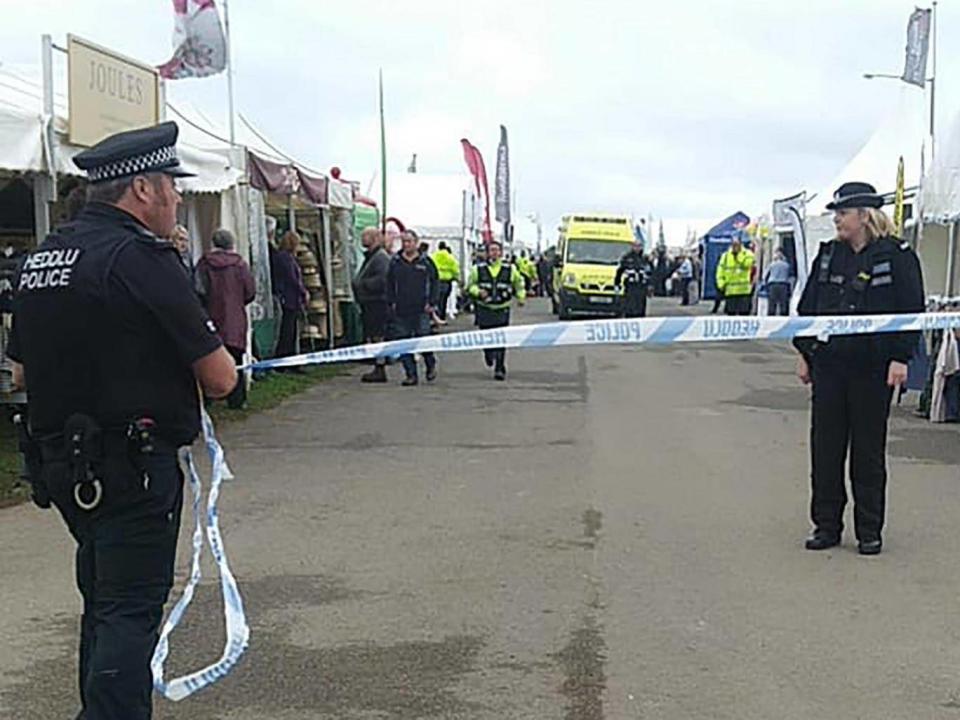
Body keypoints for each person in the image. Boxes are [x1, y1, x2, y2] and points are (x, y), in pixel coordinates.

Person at [6, 121, 237, 720]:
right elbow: (220, 377)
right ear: (141, 189)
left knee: (103, 602)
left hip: (64, 464)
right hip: (133, 467)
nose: (179, 197)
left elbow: (22, 373)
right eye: (171, 186)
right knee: (130, 612)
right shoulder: (141, 258)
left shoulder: (41, 260)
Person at [793, 181, 925, 556]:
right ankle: (826, 526)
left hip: (873, 369)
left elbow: (912, 309)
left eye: (843, 212)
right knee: (825, 449)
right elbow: (808, 309)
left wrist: (901, 357)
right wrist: (804, 351)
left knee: (867, 452)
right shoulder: (829, 255)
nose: (837, 219)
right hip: (830, 366)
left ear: (864, 216)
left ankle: (869, 530)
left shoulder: (898, 255)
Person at [196, 228, 256, 408]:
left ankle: (209, 398)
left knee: (209, 357)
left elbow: (199, 289)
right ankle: (237, 400)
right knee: (236, 359)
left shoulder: (204, 264)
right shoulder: (240, 265)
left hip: (211, 317)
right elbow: (250, 292)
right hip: (235, 319)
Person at [467, 240, 526, 380]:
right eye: (491, 250)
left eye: (496, 250)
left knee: (501, 340)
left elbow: (519, 283)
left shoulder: (510, 269)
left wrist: (521, 297)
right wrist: (478, 292)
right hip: (484, 309)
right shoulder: (478, 269)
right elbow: (470, 286)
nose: (494, 253)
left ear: (501, 252)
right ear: (487, 253)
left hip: (502, 309)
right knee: (486, 337)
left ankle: (500, 368)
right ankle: (488, 353)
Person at [386, 230, 439, 386]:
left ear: (416, 242)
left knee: (423, 338)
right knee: (403, 341)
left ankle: (430, 364)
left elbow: (435, 282)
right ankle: (411, 374)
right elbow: (389, 283)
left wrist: (432, 302)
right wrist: (391, 302)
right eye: (403, 241)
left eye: (409, 241)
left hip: (421, 308)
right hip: (402, 308)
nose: (406, 245)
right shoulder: (395, 261)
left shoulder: (426, 262)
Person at [353, 227, 391, 383]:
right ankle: (377, 364)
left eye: (365, 236)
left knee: (378, 335)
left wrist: (363, 284)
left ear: (374, 238)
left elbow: (383, 280)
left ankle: (380, 367)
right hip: (369, 302)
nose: (362, 239)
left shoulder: (380, 258)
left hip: (377, 303)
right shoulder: (372, 257)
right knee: (373, 334)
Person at [271, 229, 309, 360]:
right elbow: (293, 278)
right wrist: (303, 292)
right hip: (289, 298)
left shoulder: (281, 257)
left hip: (288, 297)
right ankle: (286, 356)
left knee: (289, 329)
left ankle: (288, 356)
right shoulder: (286, 258)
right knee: (288, 330)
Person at [716, 237, 755, 315]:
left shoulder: (748, 254)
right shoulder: (725, 256)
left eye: (737, 244)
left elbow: (747, 264)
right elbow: (720, 271)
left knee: (744, 316)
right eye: (733, 244)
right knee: (731, 316)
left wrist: (737, 255)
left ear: (741, 244)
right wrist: (721, 284)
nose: (735, 246)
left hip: (744, 291)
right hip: (730, 292)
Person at [615, 240, 652, 318]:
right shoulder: (626, 258)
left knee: (640, 308)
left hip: (641, 287)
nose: (637, 248)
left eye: (639, 246)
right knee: (629, 307)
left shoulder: (645, 259)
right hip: (630, 287)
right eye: (635, 246)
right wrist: (617, 284)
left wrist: (650, 286)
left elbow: (650, 273)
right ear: (632, 246)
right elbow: (619, 271)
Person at [431, 240, 461, 320]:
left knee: (436, 300)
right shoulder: (450, 257)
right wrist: (457, 278)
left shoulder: (434, 256)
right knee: (444, 300)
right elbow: (455, 270)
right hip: (446, 281)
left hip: (436, 281)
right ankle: (442, 316)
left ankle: (436, 317)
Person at [764, 248, 793, 316]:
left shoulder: (772, 264)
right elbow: (791, 277)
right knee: (783, 305)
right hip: (783, 285)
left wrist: (766, 285)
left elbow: (766, 276)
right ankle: (783, 319)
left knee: (772, 305)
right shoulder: (787, 265)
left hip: (773, 285)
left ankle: (771, 319)